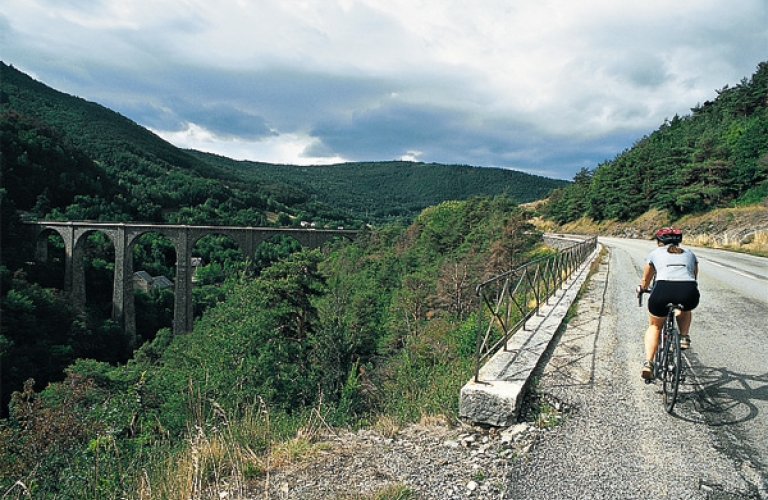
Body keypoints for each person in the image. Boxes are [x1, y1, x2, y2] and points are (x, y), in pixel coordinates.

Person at [637, 227, 700, 380]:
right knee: (684, 308)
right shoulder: (690, 253)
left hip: (662, 290)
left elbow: (646, 280)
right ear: (679, 241)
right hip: (688, 290)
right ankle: (684, 337)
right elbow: (694, 276)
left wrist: (642, 288)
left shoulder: (654, 254)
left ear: (659, 241)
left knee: (655, 326)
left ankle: (649, 363)